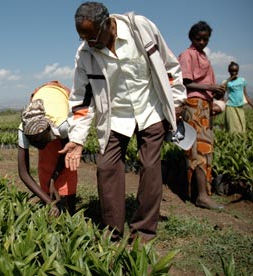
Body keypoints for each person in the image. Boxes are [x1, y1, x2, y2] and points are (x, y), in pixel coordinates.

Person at [59, 2, 186, 243]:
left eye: (92, 36)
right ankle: (112, 232)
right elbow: (81, 99)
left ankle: (144, 232)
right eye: (82, 37)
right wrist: (76, 139)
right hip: (115, 117)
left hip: (150, 109)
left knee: (150, 166)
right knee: (106, 167)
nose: (89, 43)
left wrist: (176, 100)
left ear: (108, 24)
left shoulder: (141, 28)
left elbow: (168, 66)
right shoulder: (85, 53)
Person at [178, 21, 226, 210]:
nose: (202, 42)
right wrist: (209, 87)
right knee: (197, 150)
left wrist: (217, 92)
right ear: (191, 38)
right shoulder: (188, 55)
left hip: (205, 105)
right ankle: (201, 196)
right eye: (198, 38)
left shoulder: (204, 56)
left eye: (205, 39)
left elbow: (208, 85)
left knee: (206, 150)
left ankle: (202, 193)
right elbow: (184, 83)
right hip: (193, 105)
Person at [17, 81, 77, 216]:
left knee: (69, 167)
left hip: (61, 94)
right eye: (36, 144)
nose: (41, 147)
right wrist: (49, 201)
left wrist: (54, 177)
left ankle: (71, 207)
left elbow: (66, 151)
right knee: (46, 160)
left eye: (43, 141)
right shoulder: (23, 130)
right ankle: (49, 199)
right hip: (39, 97)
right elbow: (23, 173)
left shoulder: (63, 125)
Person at [223, 61, 253, 132]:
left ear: (238, 71)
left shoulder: (242, 80)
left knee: (241, 126)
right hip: (230, 107)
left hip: (240, 107)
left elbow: (246, 95)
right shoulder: (226, 82)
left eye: (236, 71)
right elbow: (221, 95)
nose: (234, 73)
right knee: (233, 128)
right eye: (232, 71)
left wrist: (251, 104)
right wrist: (228, 81)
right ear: (228, 71)